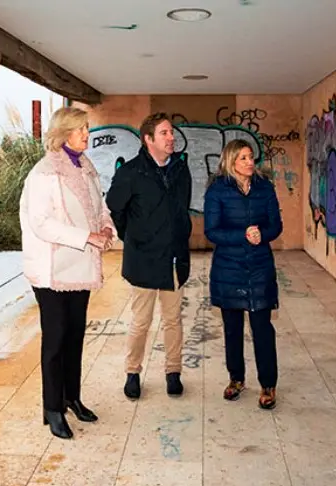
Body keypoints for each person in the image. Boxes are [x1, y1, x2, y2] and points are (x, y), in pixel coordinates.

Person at [19, 107, 115, 439]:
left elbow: (100, 207)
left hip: (80, 266)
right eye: (81, 129)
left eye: (87, 128)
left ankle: (71, 397)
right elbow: (41, 223)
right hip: (51, 269)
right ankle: (52, 409)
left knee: (75, 335)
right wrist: (85, 237)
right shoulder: (44, 173)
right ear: (64, 134)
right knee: (56, 339)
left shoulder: (87, 168)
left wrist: (105, 227)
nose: (87, 134)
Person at [105, 112, 192, 400]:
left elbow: (183, 209)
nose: (171, 138)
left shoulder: (181, 170)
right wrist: (133, 237)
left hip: (174, 260)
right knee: (141, 321)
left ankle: (173, 371)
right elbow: (115, 208)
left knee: (173, 320)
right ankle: (132, 372)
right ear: (148, 139)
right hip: (142, 259)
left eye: (172, 132)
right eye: (165, 133)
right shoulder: (130, 172)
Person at [203, 140, 282, 409]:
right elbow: (211, 231)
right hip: (228, 268)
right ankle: (236, 379)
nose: (250, 162)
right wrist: (243, 236)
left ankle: (268, 385)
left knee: (262, 328)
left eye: (251, 157)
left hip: (260, 266)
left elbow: (276, 225)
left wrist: (263, 234)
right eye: (244, 158)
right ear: (231, 161)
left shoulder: (265, 188)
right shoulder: (217, 190)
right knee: (232, 329)